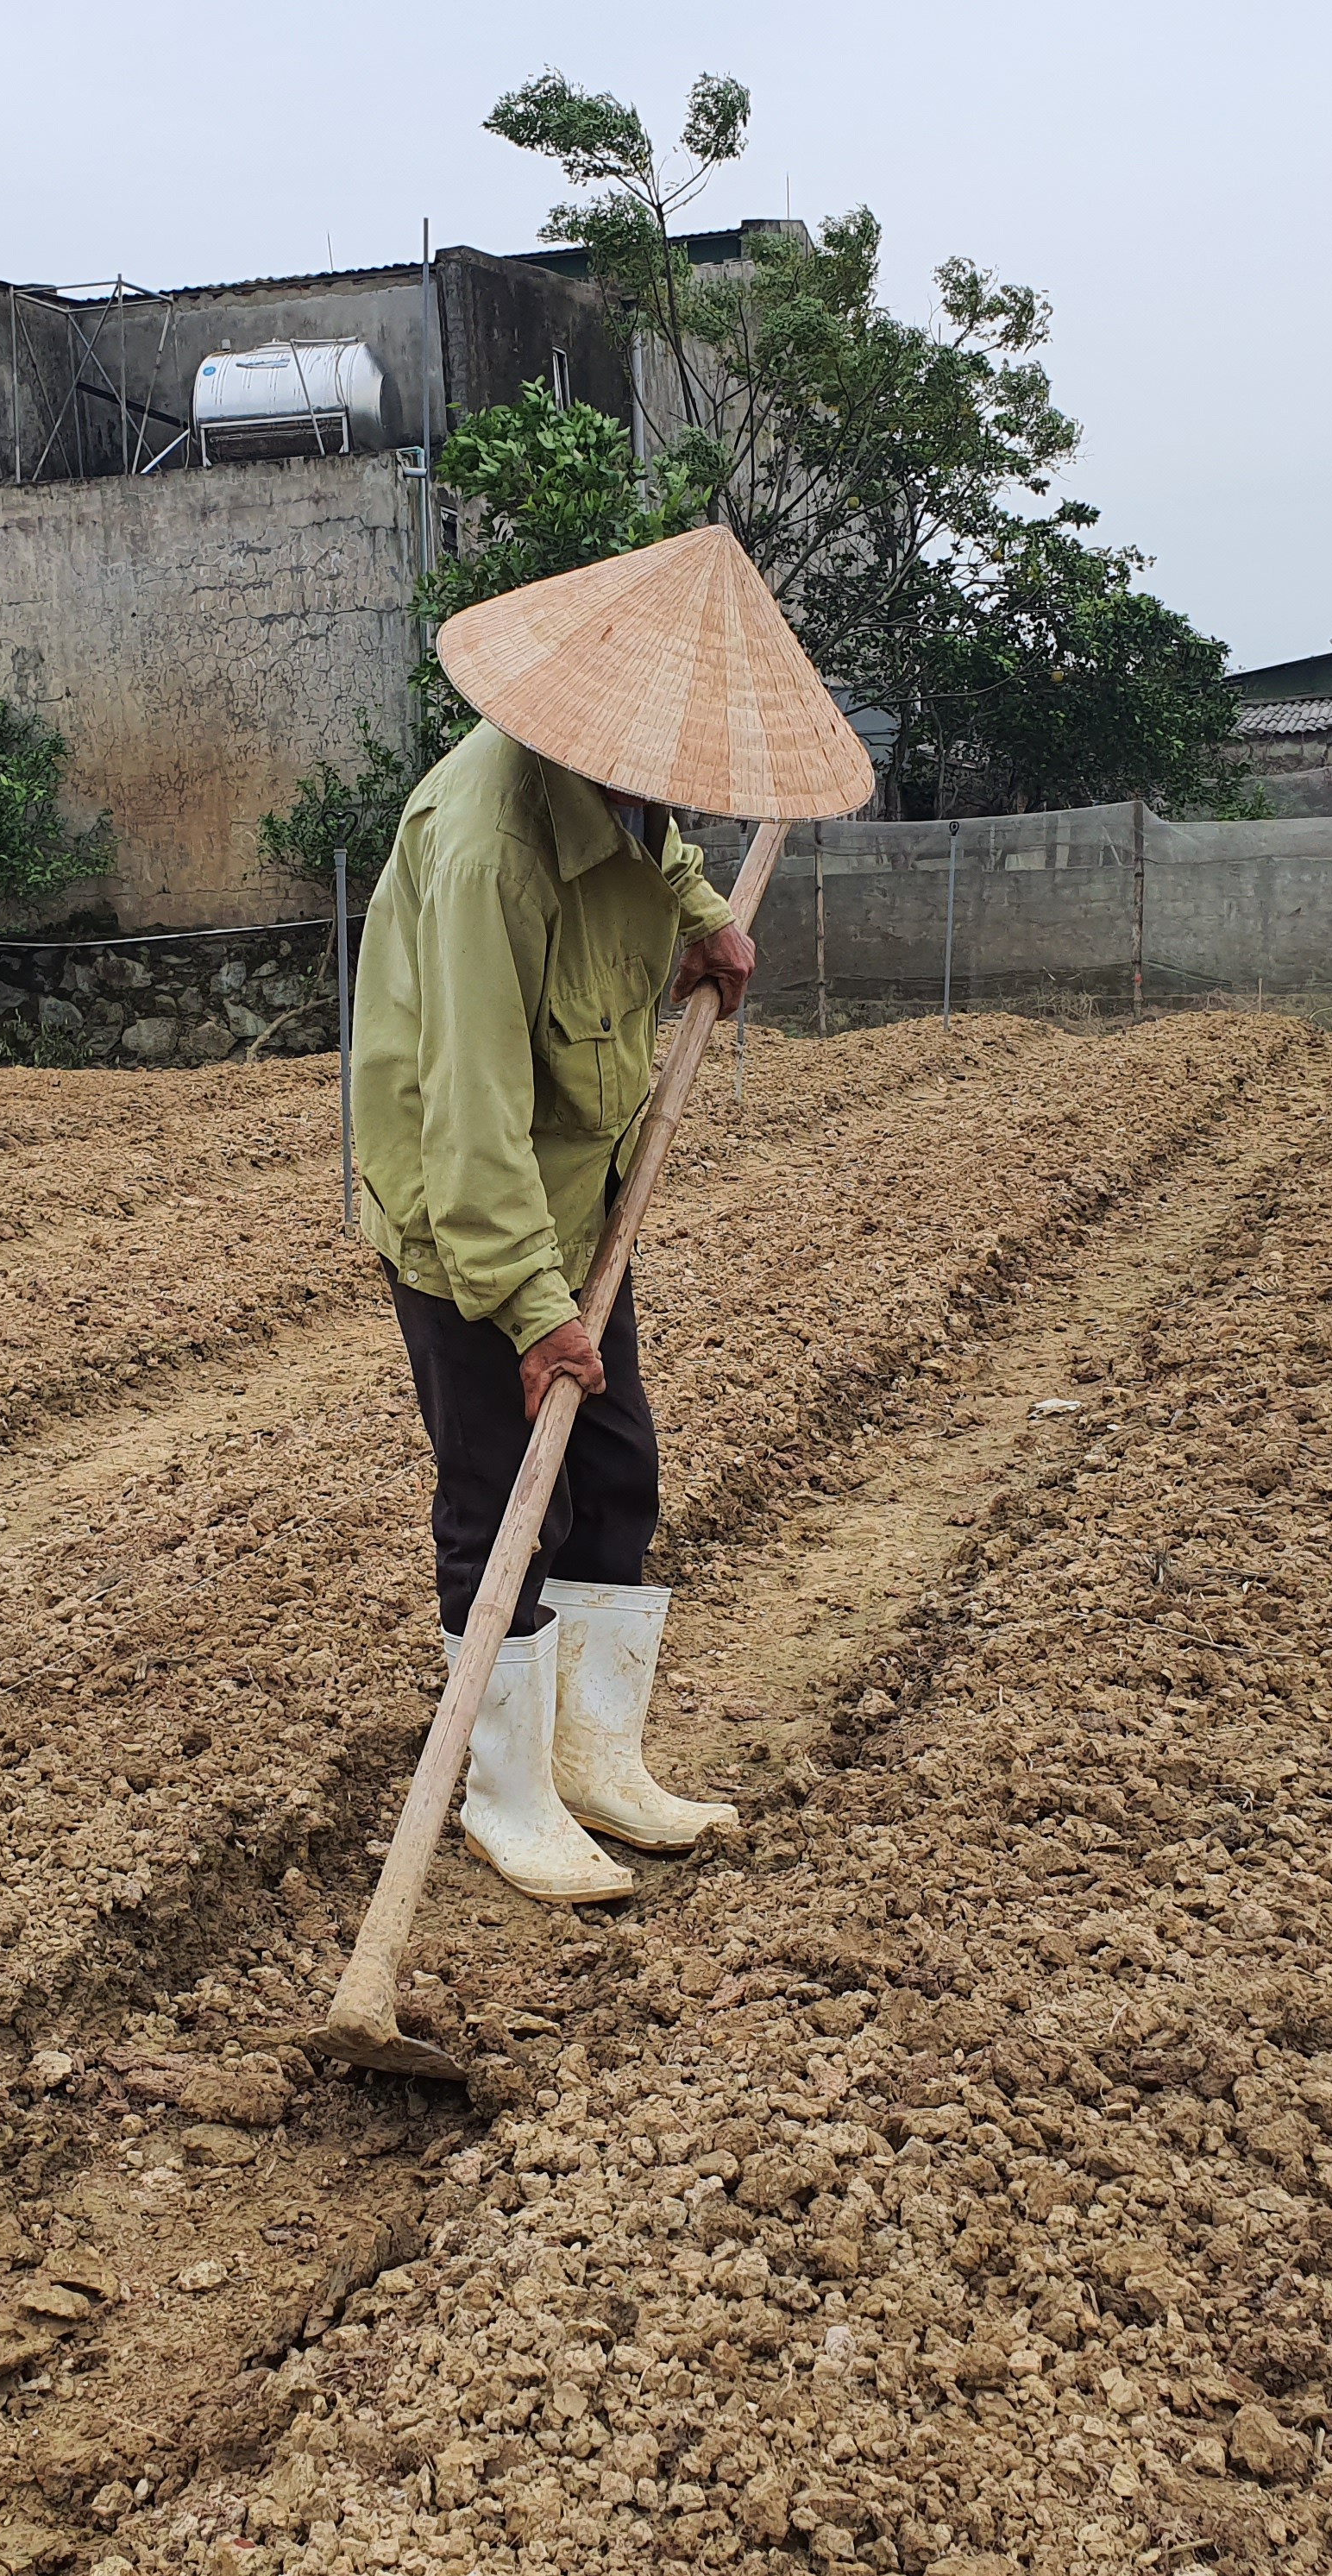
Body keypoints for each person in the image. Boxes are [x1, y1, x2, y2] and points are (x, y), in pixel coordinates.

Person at [348, 525, 873, 1902]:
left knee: (615, 1473)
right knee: (502, 1494)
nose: (669, 787)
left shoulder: (623, 790)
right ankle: (504, 1792)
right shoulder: (488, 857)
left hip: (580, 1188)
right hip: (473, 1220)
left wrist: (702, 918)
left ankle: (597, 1759)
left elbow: (660, 852)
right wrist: (533, 1317)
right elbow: (467, 1128)